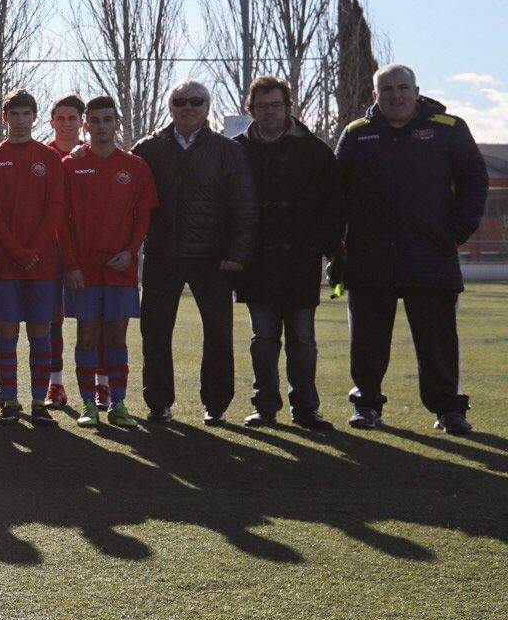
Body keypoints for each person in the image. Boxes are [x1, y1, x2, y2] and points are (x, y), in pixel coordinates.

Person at [336, 63, 488, 434]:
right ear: (375, 96)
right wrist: (337, 248)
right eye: (387, 90)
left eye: (403, 88)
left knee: (438, 341)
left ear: (417, 91)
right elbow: (334, 194)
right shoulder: (356, 135)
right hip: (370, 257)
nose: (396, 96)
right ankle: (367, 406)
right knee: (368, 342)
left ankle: (448, 409)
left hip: (431, 255)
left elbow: (475, 181)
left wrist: (456, 232)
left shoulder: (448, 129)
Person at [132, 79, 257, 425]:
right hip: (162, 254)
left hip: (213, 258)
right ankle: (158, 403)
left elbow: (244, 206)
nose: (188, 108)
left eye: (196, 101)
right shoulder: (148, 149)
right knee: (155, 332)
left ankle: (215, 405)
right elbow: (124, 186)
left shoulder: (228, 150)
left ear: (207, 107)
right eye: (181, 101)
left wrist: (237, 252)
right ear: (170, 106)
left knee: (218, 333)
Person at [234, 76, 344, 430]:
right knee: (263, 339)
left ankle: (306, 409)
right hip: (256, 263)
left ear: (288, 107)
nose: (270, 112)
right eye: (262, 106)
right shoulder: (236, 150)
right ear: (250, 110)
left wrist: (320, 246)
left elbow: (334, 206)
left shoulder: (315, 151)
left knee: (302, 339)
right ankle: (264, 407)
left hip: (301, 261)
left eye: (276, 105)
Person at [59, 97, 156, 430]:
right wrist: (71, 264)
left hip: (121, 268)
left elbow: (143, 217)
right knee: (86, 336)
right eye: (95, 120)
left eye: (107, 120)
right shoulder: (71, 165)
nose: (101, 126)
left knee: (116, 337)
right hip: (84, 271)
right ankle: (89, 403)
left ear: (118, 123)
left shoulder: (136, 166)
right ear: (87, 126)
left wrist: (131, 251)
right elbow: (62, 221)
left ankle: (118, 403)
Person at [0, 90, 67, 423]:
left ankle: (37, 402)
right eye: (13, 114)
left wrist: (32, 250)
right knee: (5, 331)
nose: (19, 120)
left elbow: (55, 208)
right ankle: (11, 402)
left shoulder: (49, 159)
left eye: (25, 114)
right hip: (4, 262)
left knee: (40, 331)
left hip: (41, 263)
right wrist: (18, 251)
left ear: (34, 116)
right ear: (5, 118)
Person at [42, 93, 86, 408]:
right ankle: (55, 384)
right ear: (52, 121)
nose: (67, 123)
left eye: (73, 118)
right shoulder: (43, 155)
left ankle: (100, 386)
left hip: (88, 247)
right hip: (51, 249)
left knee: (92, 318)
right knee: (52, 318)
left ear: (81, 121)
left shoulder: (94, 153)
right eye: (61, 118)